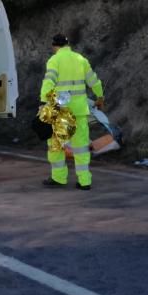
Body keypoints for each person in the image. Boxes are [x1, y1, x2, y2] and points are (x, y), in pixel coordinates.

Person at [40, 33, 105, 190]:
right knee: (81, 146)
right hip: (80, 110)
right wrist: (100, 96)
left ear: (55, 46)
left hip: (61, 110)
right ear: (68, 45)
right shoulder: (81, 59)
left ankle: (59, 178)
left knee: (56, 144)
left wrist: (43, 102)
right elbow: (93, 80)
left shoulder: (54, 60)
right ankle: (84, 181)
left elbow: (48, 82)